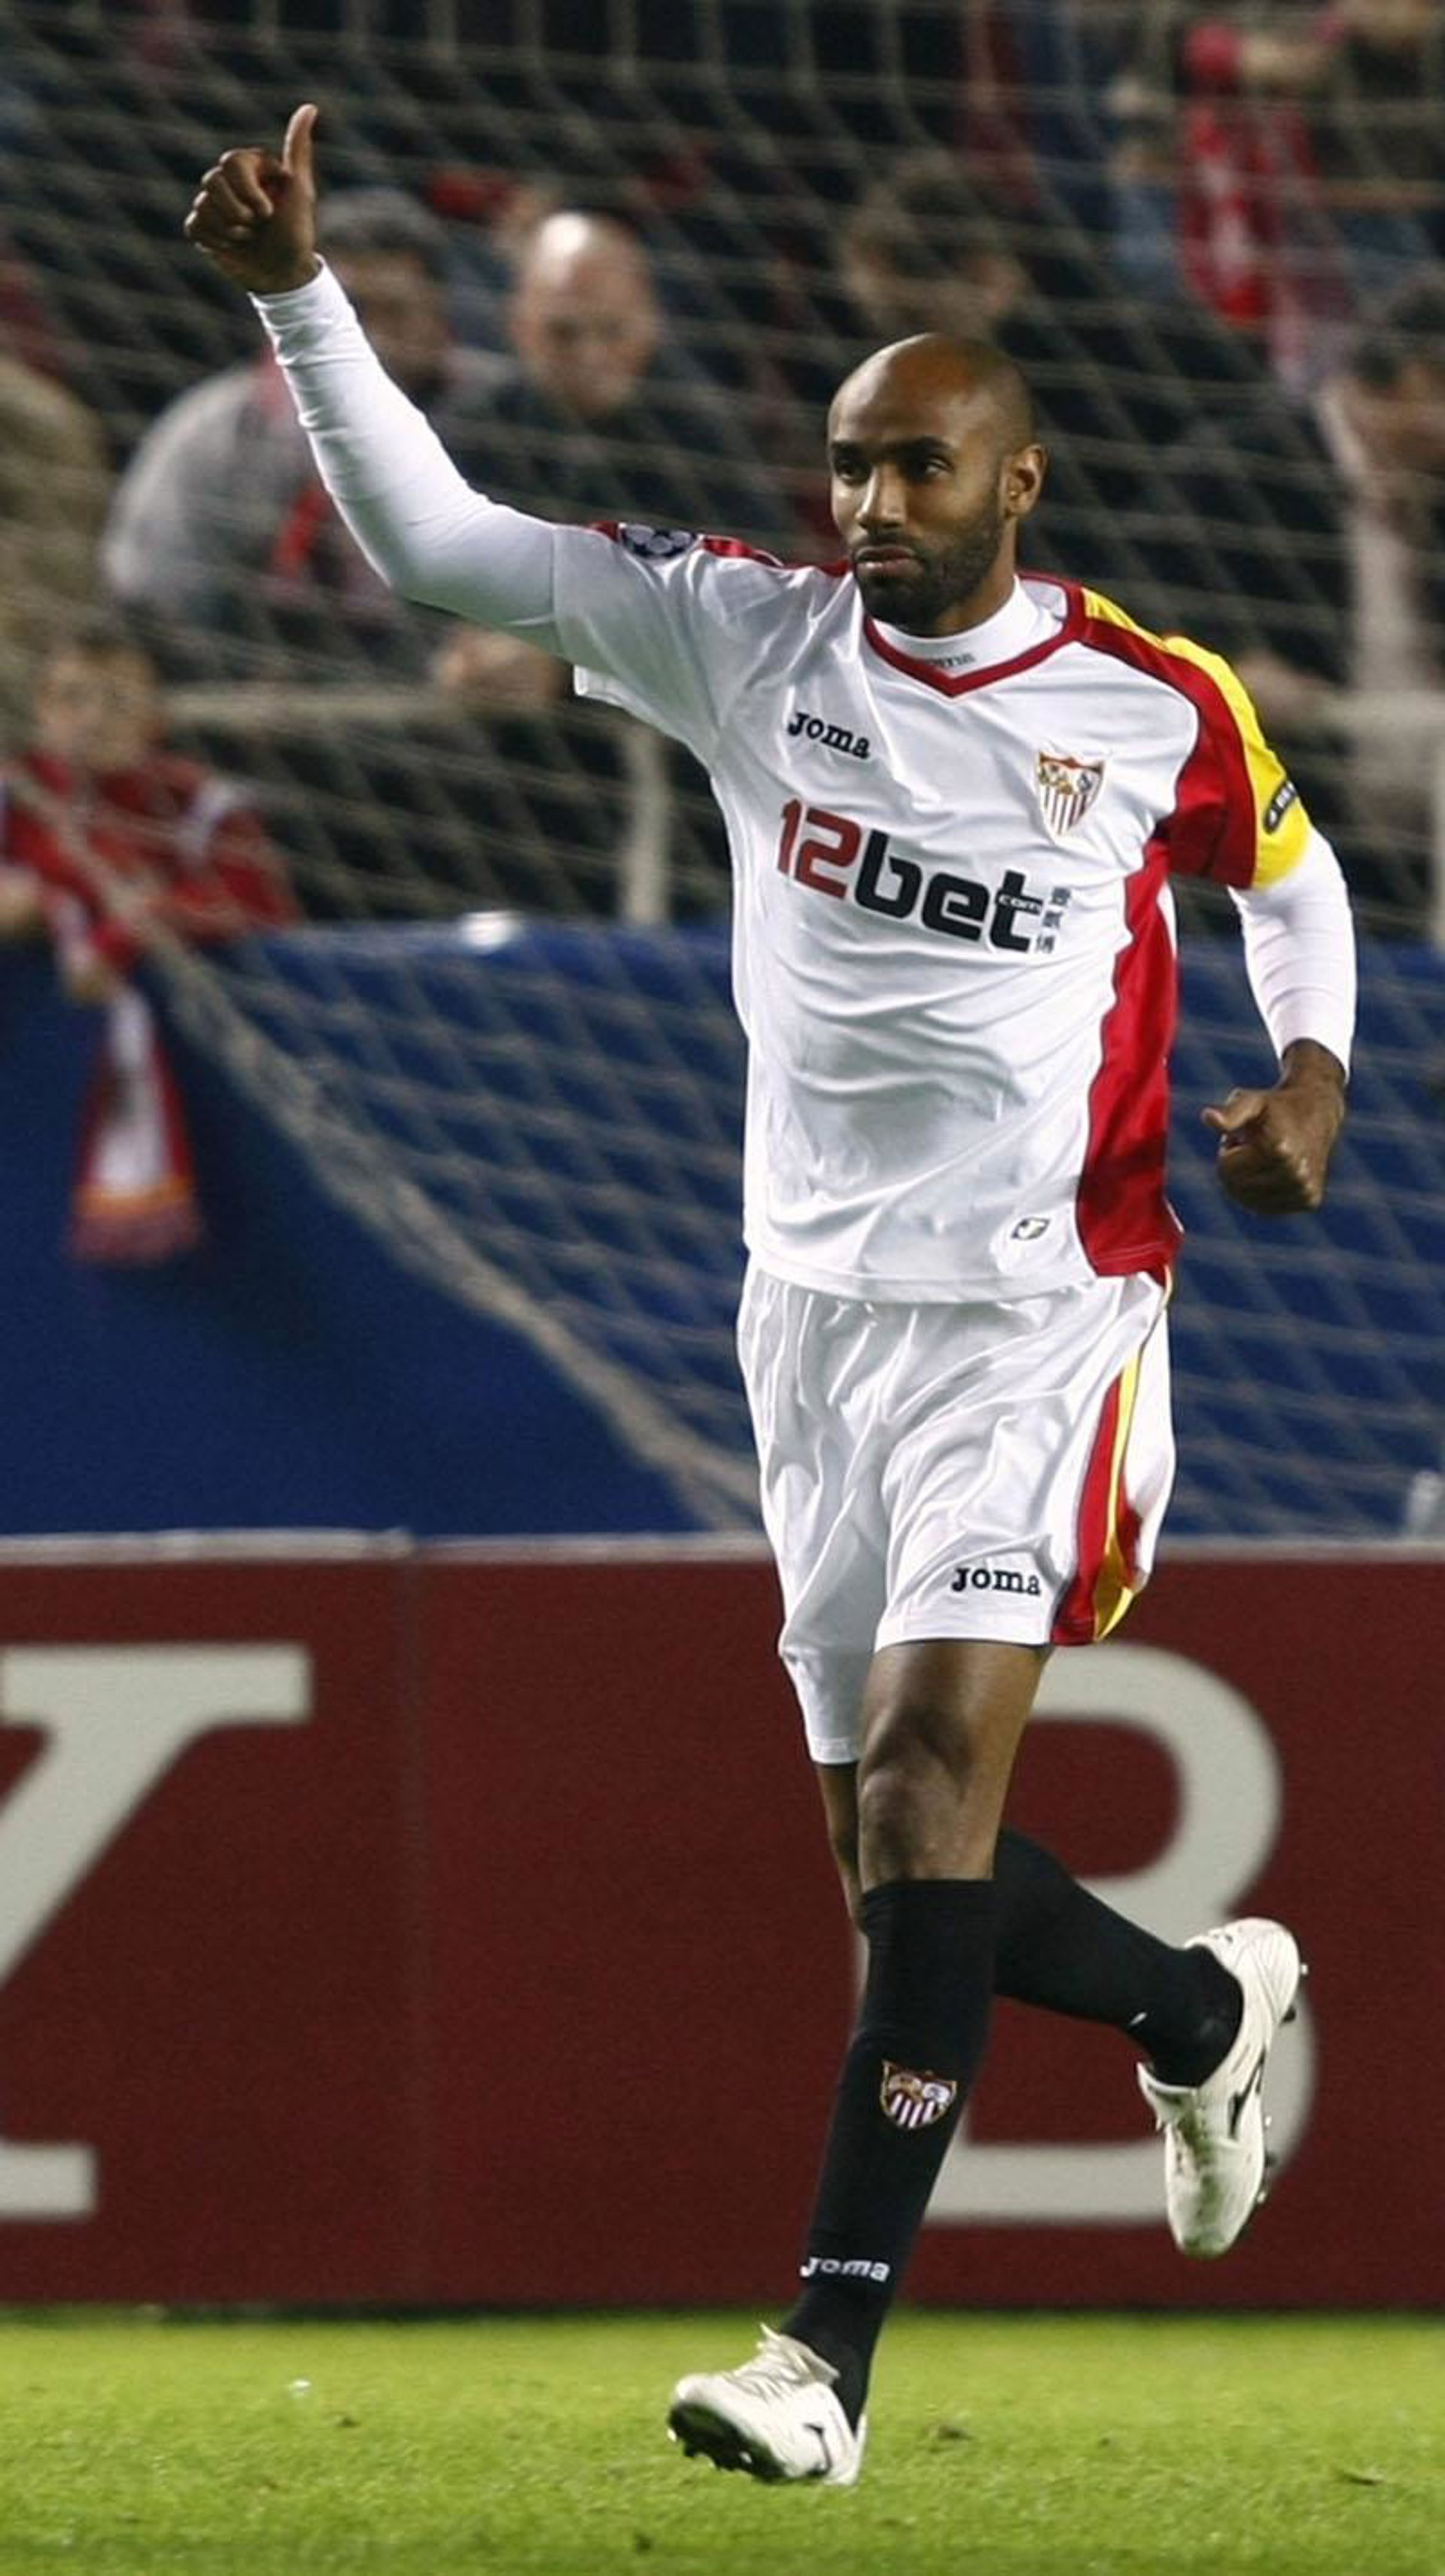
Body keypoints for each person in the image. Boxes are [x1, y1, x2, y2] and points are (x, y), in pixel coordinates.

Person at [185, 107, 1355, 2485]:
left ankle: (820, 2359)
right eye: (847, 465)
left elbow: (1293, 875)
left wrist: (1311, 1071)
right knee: (899, 1863)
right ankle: (1193, 2006)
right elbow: (439, 546)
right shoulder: (745, 634)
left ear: (1015, 482)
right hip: (809, 1320)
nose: (872, 505)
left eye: (917, 467)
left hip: (1044, 1306)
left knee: (923, 1791)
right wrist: (297, 298)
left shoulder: (1147, 699)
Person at [102, 186, 507, 680]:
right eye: (349, 311)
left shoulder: (501, 416)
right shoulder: (219, 430)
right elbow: (152, 590)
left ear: (437, 312)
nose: (370, 339)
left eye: (395, 311)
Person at [1156, 269, 1445, 930]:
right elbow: (1153, 597)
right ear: (1417, 380)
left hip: (1427, 831)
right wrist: (1232, 667)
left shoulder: (1434, 489)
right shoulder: (1236, 467)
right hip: (1294, 827)